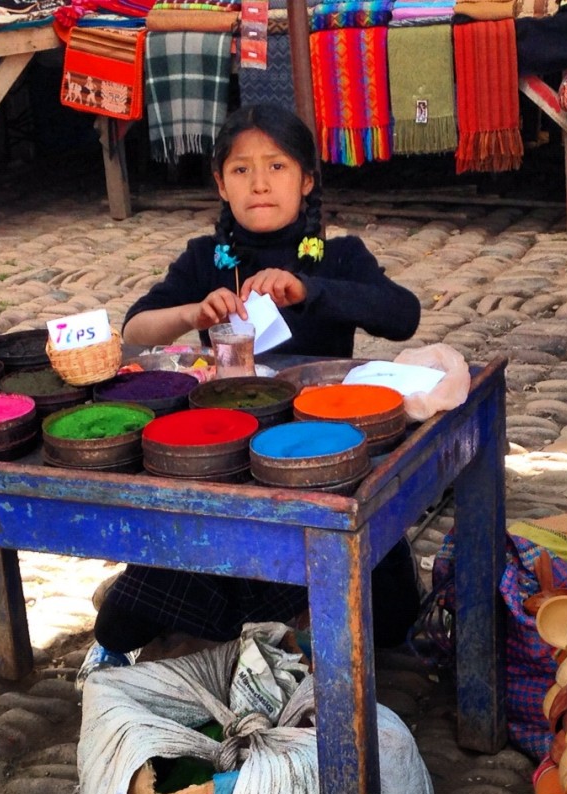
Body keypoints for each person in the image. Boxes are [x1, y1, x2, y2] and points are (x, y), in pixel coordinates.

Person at [77, 102, 424, 685]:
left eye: (278, 167)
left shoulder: (339, 256)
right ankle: (152, 627)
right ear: (220, 183)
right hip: (219, 454)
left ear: (307, 179)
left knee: (388, 617)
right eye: (241, 170)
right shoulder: (203, 260)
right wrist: (192, 310)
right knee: (143, 601)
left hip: (319, 453)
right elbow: (135, 334)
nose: (260, 183)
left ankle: (302, 610)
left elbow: (403, 315)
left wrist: (308, 289)